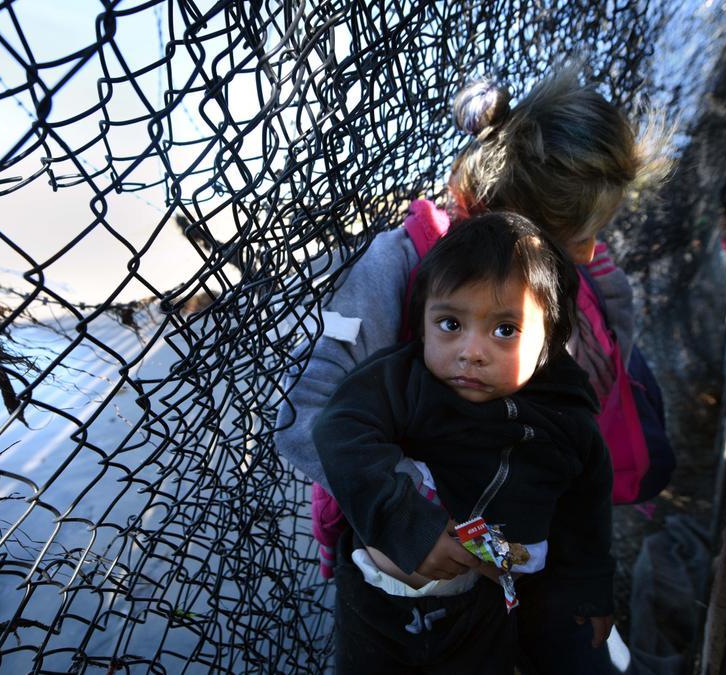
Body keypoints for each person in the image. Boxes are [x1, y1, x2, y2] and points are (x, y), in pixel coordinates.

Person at [276, 65, 669, 672]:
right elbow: (309, 418)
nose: (593, 253)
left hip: (526, 551)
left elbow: (577, 440)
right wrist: (413, 516)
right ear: (521, 228)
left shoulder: (567, 286)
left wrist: (583, 574)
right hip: (410, 569)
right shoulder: (400, 269)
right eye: (579, 238)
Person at [313, 213, 613, 673]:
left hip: (487, 604)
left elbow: (584, 509)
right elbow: (338, 430)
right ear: (423, 319)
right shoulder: (405, 381)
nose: (471, 352)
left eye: (505, 330)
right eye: (450, 324)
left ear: (549, 339)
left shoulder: (565, 418)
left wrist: (590, 586)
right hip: (379, 605)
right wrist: (413, 525)